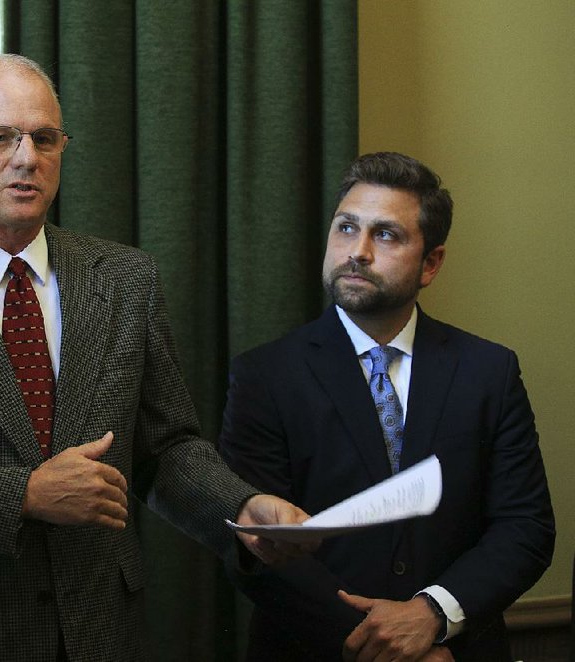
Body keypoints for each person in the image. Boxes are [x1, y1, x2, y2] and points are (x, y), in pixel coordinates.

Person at [0, 54, 311, 662]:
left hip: (100, 633)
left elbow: (165, 449)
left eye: (44, 138)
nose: (26, 158)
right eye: (0, 137)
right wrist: (23, 493)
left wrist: (240, 507)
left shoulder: (126, 279)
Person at [219, 152, 556, 662]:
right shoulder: (264, 376)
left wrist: (432, 617)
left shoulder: (489, 371)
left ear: (432, 263)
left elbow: (525, 528)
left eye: (386, 235)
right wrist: (384, 646)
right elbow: (258, 549)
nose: (357, 251)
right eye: (346, 228)